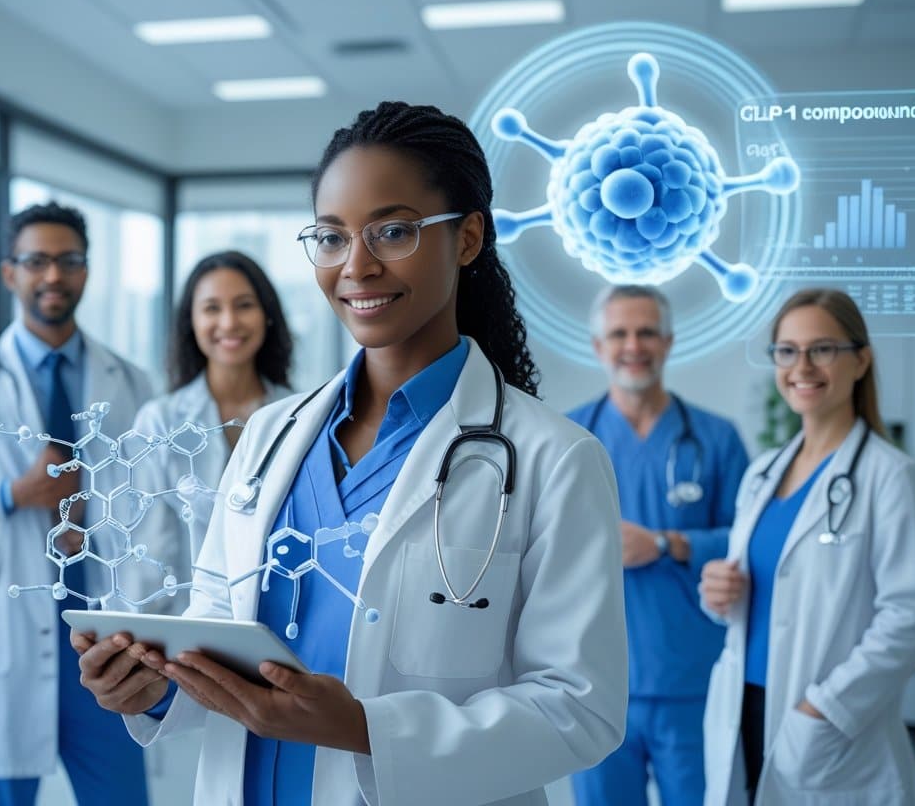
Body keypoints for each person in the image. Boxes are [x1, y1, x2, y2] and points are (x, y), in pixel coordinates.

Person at [71, 101, 628, 806]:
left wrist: (365, 729)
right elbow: (216, 625)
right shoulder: (270, 436)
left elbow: (580, 709)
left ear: (467, 238)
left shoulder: (555, 460)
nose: (357, 266)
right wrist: (155, 687)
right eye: (331, 238)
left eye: (393, 231)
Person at [0, 202, 159, 806]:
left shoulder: (132, 383)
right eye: (36, 261)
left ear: (86, 271)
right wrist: (14, 495)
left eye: (68, 261)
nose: (53, 275)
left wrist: (97, 519)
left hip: (105, 633)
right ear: (10, 273)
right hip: (8, 636)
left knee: (121, 798)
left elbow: (150, 506)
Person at [699, 288, 915, 805]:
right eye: (787, 351)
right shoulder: (762, 474)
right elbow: (764, 600)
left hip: (826, 724)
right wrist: (719, 593)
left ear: (861, 360)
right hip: (743, 709)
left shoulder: (894, 478)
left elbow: (914, 615)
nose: (802, 366)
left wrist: (826, 709)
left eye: (822, 349)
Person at [568, 284, 749, 806]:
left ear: (668, 342)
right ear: (598, 346)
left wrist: (669, 544)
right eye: (619, 334)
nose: (634, 346)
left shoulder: (716, 439)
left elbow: (748, 541)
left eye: (647, 332)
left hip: (688, 679)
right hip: (593, 683)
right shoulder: (566, 437)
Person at [133, 250, 294, 582]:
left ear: (267, 315)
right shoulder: (159, 422)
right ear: (190, 322)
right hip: (182, 606)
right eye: (212, 308)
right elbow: (146, 548)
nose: (229, 322)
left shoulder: (297, 416)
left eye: (244, 305)